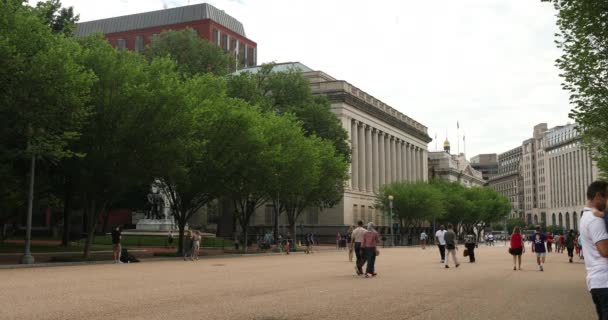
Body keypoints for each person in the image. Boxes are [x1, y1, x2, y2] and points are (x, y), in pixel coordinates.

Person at [579, 181, 608, 320]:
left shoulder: (586, 216)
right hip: (605, 281)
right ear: (598, 196)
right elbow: (605, 251)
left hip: (598, 281)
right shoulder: (595, 219)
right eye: (607, 197)